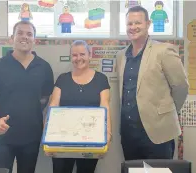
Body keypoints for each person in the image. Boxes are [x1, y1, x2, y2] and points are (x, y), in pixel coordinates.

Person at [0, 21, 54, 173]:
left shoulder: (44, 67)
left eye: (29, 34)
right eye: (20, 33)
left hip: (32, 137)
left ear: (34, 40)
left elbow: (46, 97)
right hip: (3, 138)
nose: (25, 37)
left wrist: (30, 112)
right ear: (12, 38)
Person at [116, 6, 189, 160]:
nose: (133, 27)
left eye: (138, 23)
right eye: (130, 24)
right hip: (129, 134)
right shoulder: (121, 56)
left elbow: (181, 87)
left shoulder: (163, 50)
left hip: (158, 132)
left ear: (148, 24)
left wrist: (166, 111)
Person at [45, 40, 112, 173]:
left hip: (91, 141)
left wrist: (107, 137)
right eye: (75, 55)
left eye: (82, 54)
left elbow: (105, 108)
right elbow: (52, 108)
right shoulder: (62, 79)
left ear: (89, 55)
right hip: (62, 141)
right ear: (71, 57)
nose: (78, 58)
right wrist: (47, 140)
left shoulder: (101, 79)